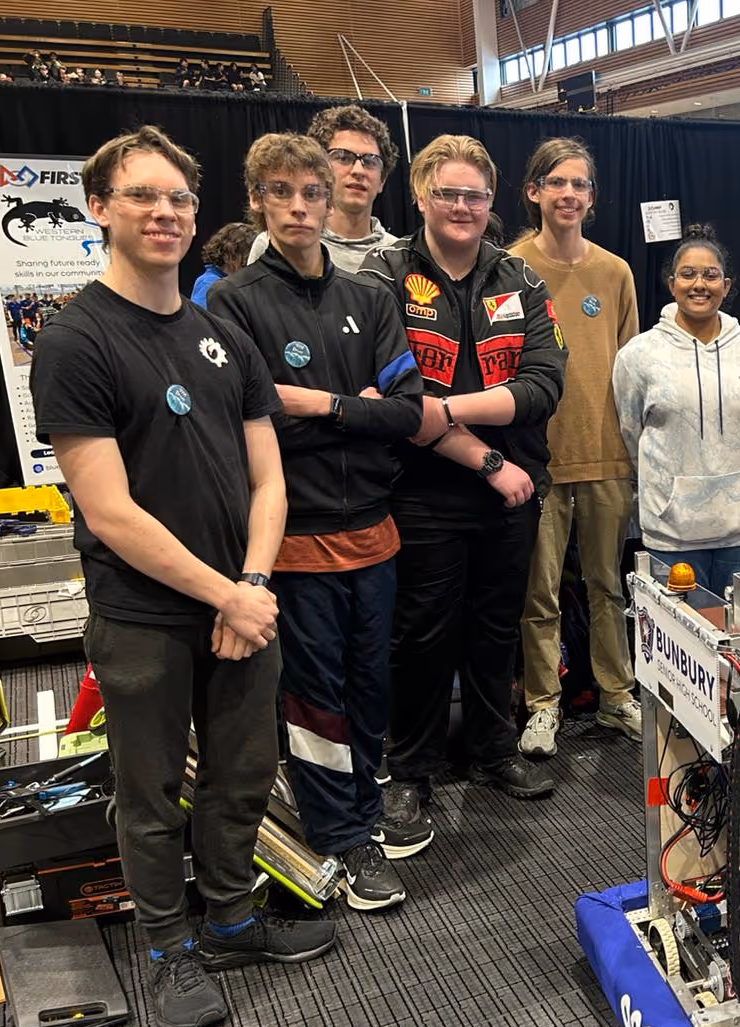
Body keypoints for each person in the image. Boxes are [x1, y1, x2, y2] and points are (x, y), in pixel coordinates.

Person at [30, 126, 336, 1027]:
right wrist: (227, 596)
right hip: (145, 618)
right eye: (141, 197)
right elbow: (111, 512)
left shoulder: (218, 335)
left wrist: (250, 585)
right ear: (99, 209)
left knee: (244, 774)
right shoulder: (76, 339)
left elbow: (269, 480)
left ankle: (234, 920)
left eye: (178, 200)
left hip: (241, 605)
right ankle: (169, 950)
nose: (163, 213)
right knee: (152, 791)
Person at [208, 134, 431, 909]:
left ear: (331, 196)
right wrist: (351, 410)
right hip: (292, 536)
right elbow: (243, 424)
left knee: (371, 691)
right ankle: (345, 838)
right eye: (281, 192)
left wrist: (314, 404)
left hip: (374, 532)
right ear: (257, 201)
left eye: (312, 191)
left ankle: (357, 809)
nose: (299, 206)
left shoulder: (369, 299)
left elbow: (405, 413)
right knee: (315, 701)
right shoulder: (232, 303)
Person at [359, 134, 566, 812]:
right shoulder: (382, 277)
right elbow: (390, 401)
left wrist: (439, 407)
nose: (461, 206)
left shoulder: (522, 279)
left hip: (513, 489)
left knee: (496, 625)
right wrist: (474, 446)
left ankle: (492, 747)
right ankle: (412, 766)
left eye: (474, 195)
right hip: (420, 489)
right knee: (421, 632)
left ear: (490, 202)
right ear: (420, 197)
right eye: (447, 193)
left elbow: (542, 386)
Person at [509, 138, 642, 758]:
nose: (569, 194)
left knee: (606, 587)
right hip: (535, 461)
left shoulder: (614, 273)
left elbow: (631, 370)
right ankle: (542, 705)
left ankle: (616, 696)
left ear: (591, 196)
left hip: (606, 456)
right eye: (556, 182)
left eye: (580, 184)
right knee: (539, 596)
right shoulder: (507, 268)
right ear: (534, 191)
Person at [614, 226, 740, 596]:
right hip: (672, 535)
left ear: (726, 284)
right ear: (672, 284)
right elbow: (630, 433)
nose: (699, 284)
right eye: (687, 274)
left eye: (710, 275)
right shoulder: (637, 356)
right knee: (678, 648)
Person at [249, 105, 401, 273]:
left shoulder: (399, 254)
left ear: (382, 180)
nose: (358, 170)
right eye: (343, 157)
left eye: (370, 160)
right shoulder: (276, 244)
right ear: (319, 169)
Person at [190, 221, 256, 307]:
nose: (249, 263)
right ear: (228, 256)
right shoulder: (208, 283)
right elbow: (199, 318)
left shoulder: (238, 283)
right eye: (246, 258)